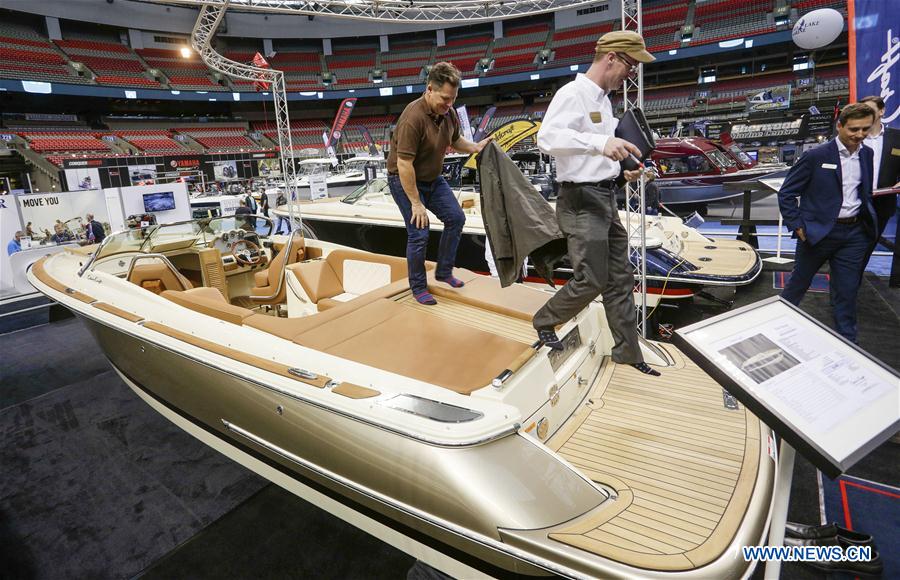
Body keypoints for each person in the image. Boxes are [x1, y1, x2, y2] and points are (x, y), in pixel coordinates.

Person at [531, 30, 659, 376]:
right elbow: (546, 138)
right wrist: (599, 145)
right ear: (611, 58)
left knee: (620, 278)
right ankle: (544, 320)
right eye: (630, 65)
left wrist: (622, 172)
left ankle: (628, 353)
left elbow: (596, 156)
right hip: (580, 200)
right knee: (591, 278)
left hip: (604, 196)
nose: (631, 74)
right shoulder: (572, 94)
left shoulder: (603, 101)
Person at [386, 61, 492, 305]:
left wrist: (475, 147)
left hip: (432, 179)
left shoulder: (448, 113)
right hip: (404, 180)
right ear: (429, 89)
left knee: (456, 218)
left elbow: (455, 140)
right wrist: (416, 203)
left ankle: (444, 271)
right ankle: (419, 287)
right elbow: (404, 165)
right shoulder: (412, 118)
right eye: (445, 98)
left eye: (453, 99)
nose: (449, 104)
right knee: (419, 233)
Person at [778, 103, 878, 343]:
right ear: (840, 126)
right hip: (817, 233)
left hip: (854, 234)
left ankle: (847, 340)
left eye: (865, 129)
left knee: (847, 289)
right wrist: (798, 226)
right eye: (854, 129)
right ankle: (777, 325)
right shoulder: (816, 156)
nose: (860, 135)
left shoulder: (867, 154)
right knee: (798, 285)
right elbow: (787, 193)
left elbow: (862, 191)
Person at [859, 95, 900, 238]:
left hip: (884, 203)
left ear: (882, 111)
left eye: (869, 109)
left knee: (870, 245)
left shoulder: (897, 137)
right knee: (854, 249)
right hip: (855, 202)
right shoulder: (854, 136)